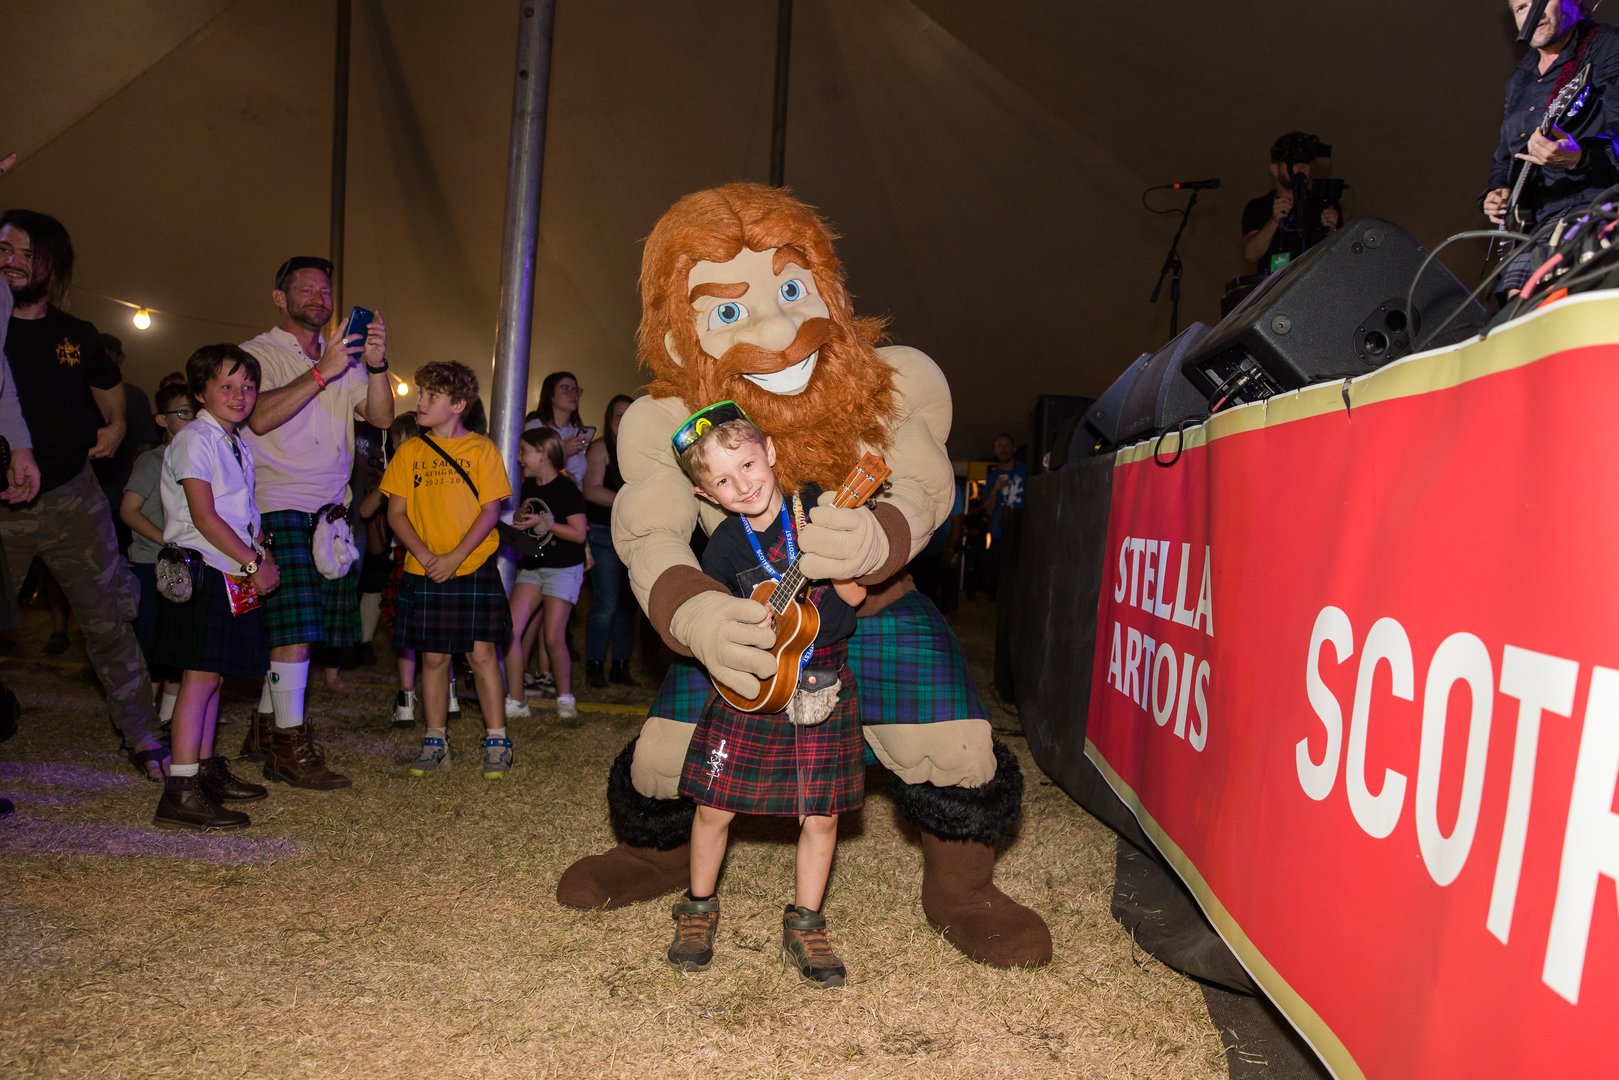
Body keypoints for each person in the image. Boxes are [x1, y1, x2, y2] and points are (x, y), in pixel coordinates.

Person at [555, 183, 1051, 971]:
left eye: (791, 288)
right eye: (726, 311)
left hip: (875, 605)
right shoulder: (664, 423)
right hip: (747, 616)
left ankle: (960, 890)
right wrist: (698, 620)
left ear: (827, 285)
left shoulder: (891, 381)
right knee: (666, 754)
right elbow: (650, 531)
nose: (779, 330)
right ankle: (660, 860)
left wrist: (875, 537)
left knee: (955, 745)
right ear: (682, 338)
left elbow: (922, 485)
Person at [664, 402, 866, 986]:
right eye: (723, 480)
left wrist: (832, 565)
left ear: (771, 453)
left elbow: (852, 598)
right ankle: (698, 907)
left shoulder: (821, 511)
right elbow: (718, 616)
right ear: (707, 495)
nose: (743, 484)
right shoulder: (724, 548)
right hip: (749, 686)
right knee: (714, 804)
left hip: (820, 679)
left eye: (749, 465)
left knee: (821, 814)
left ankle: (805, 923)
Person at [0, 208, 168, 780]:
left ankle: (144, 736)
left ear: (52, 264)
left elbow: (106, 380)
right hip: (2, 508)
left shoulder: (76, 334)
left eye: (28, 253)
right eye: (5, 250)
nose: (14, 262)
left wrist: (117, 424)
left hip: (74, 496)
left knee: (108, 621)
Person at [238, 255, 393, 789]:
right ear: (280, 298)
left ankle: (264, 729)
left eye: (325, 290)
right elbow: (257, 416)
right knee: (295, 633)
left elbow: (380, 418)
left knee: (303, 630)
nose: (319, 297)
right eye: (305, 289)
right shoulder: (255, 354)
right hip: (278, 503)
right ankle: (289, 745)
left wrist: (373, 367)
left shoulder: (341, 358)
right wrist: (322, 371)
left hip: (331, 511)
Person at [149, 345, 278, 830]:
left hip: (229, 572)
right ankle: (180, 790)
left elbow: (241, 510)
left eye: (247, 386)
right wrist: (253, 564)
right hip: (203, 570)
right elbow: (202, 516)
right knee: (198, 679)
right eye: (226, 386)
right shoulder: (194, 439)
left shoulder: (234, 440)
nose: (240, 395)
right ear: (200, 391)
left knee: (215, 677)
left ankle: (203, 771)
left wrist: (261, 552)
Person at [379, 361, 513, 779]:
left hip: (471, 567)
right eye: (421, 394)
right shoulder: (409, 452)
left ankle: (497, 740)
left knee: (482, 655)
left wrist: (454, 557)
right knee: (433, 658)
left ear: (457, 404)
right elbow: (396, 513)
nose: (419, 402)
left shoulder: (481, 450)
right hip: (423, 570)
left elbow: (491, 511)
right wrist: (424, 554)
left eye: (430, 396)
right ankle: (435, 739)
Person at [1482, 0, 1619, 293]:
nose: (1532, 13)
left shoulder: (1608, 45)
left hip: (1596, 207)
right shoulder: (1519, 80)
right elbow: (1505, 156)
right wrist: (1496, 192)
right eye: (1521, 8)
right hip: (1535, 228)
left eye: (1540, 1)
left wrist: (1580, 158)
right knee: (1515, 316)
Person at [120, 381, 196, 727]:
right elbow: (129, 510)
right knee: (150, 649)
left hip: (189, 567)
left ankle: (166, 722)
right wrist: (168, 540)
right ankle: (141, 727)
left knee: (179, 651)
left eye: (195, 412)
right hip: (152, 563)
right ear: (161, 420)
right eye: (182, 413)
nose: (191, 419)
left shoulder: (201, 458)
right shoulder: (152, 461)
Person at [502, 427, 587, 723]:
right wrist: (519, 518)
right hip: (534, 567)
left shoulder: (566, 489)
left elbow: (578, 534)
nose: (519, 457)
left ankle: (565, 697)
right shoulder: (527, 486)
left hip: (564, 568)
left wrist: (547, 524)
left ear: (543, 454)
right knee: (509, 630)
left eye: (524, 451)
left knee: (552, 636)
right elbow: (521, 521)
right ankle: (516, 699)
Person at [582, 393, 638, 687]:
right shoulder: (601, 448)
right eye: (619, 415)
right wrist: (627, 501)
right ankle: (594, 666)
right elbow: (590, 490)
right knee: (606, 602)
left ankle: (620, 666)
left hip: (633, 535)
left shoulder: (642, 451)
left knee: (629, 604)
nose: (624, 420)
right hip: (603, 534)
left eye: (630, 415)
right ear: (609, 419)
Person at [92, 331, 159, 553]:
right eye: (99, 355)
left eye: (109, 355)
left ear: (120, 359)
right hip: (83, 492)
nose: (104, 360)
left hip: (120, 492)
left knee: (116, 555)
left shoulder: (134, 396)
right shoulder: (78, 391)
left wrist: (137, 485)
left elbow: (145, 445)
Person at [1240, 131, 1342, 277]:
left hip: (1316, 286)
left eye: (1307, 162)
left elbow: (1342, 256)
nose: (1302, 168)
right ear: (1275, 170)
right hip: (1274, 290)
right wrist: (1274, 220)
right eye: (1295, 162)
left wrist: (1332, 229)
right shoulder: (1258, 206)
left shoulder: (1323, 204)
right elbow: (1251, 254)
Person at [981, 433, 1026, 601]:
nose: (1003, 449)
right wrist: (995, 490)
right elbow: (988, 509)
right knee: (996, 571)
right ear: (995, 450)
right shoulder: (993, 476)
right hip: (999, 532)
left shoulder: (1024, 470)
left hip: (1020, 531)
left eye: (1007, 445)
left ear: (1013, 449)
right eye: (999, 445)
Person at [524, 370, 590, 484]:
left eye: (576, 390)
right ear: (550, 394)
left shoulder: (576, 431)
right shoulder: (535, 428)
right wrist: (563, 451)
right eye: (565, 389)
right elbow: (531, 470)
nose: (573, 394)